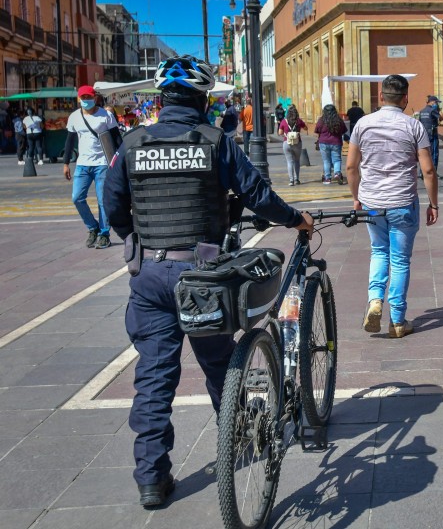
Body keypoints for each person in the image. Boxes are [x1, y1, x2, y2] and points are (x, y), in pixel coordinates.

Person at [103, 55, 314, 509]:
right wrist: (295, 218)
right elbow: (255, 193)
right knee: (221, 363)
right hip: (201, 276)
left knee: (154, 377)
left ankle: (151, 479)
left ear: (162, 99)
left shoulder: (132, 142)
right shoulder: (215, 141)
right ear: (202, 100)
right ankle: (240, 436)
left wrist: (137, 241)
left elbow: (113, 206)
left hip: (150, 275)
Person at [346, 74, 438, 338]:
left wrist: (356, 197)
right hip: (402, 202)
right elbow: (428, 170)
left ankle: (375, 299)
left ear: (381, 96)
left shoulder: (363, 124)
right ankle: (397, 321)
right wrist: (433, 204)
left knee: (378, 251)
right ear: (405, 98)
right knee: (399, 260)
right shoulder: (414, 126)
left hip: (372, 203)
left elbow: (351, 167)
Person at [63, 85, 118, 249]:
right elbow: (69, 141)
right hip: (82, 165)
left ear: (95, 98)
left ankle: (104, 234)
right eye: (83, 98)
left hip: (102, 164)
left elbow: (117, 139)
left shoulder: (106, 115)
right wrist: (66, 164)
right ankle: (93, 227)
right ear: (79, 99)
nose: (86, 100)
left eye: (89, 97)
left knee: (102, 200)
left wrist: (119, 161)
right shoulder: (74, 117)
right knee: (77, 198)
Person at [315, 103, 346, 184]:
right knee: (337, 160)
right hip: (336, 142)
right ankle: (337, 173)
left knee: (326, 161)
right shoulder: (338, 120)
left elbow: (317, 130)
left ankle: (327, 178)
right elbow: (344, 130)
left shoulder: (321, 120)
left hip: (324, 143)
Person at [278, 104, 307, 186]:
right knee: (297, 161)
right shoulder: (299, 121)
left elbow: (280, 133)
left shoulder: (284, 121)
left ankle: (291, 180)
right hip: (297, 142)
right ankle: (297, 179)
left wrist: (286, 134)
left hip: (287, 143)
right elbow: (306, 128)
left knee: (289, 162)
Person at [418, 95, 441, 170]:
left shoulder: (422, 111)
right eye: (436, 102)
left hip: (424, 134)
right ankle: (433, 171)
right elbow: (441, 117)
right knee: (434, 153)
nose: (436, 104)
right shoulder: (432, 110)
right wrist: (438, 110)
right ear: (432, 102)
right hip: (432, 134)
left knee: (425, 153)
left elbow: (420, 122)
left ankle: (422, 171)